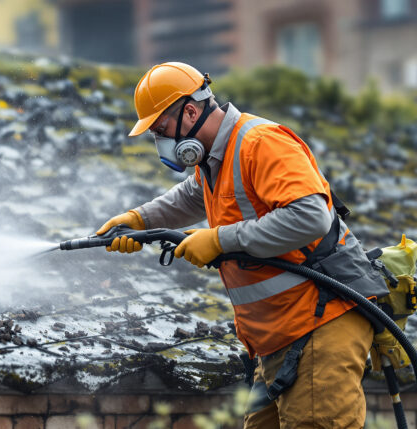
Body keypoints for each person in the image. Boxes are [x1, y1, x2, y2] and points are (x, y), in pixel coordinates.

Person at [97, 62, 383, 428]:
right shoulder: (214, 158)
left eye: (162, 129)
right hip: (279, 338)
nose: (162, 141)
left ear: (189, 111)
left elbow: (311, 216)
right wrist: (140, 220)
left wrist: (219, 239)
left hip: (320, 321)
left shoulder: (260, 142)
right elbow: (191, 196)